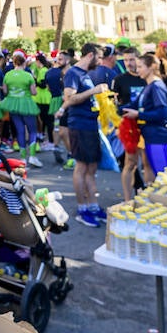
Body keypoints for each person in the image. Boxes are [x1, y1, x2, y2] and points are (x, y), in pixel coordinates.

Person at [62, 44, 107, 226]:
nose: (101, 61)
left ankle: (93, 206)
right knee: (81, 167)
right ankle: (82, 209)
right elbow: (69, 99)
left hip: (89, 125)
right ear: (90, 55)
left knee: (91, 168)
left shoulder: (83, 74)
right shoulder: (73, 73)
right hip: (79, 126)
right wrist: (93, 91)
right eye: (99, 57)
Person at [126, 52, 167, 180]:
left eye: (140, 67)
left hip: (157, 135)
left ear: (151, 67)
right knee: (156, 172)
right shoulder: (149, 86)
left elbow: (162, 113)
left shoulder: (156, 86)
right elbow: (134, 105)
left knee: (163, 175)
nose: (137, 70)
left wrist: (138, 115)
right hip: (150, 135)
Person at [112, 48, 149, 198]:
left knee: (148, 164)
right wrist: (117, 124)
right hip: (130, 126)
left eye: (132, 60)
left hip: (147, 123)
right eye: (126, 60)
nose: (129, 63)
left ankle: (147, 195)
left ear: (139, 59)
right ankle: (128, 199)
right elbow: (114, 104)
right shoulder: (120, 79)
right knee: (130, 163)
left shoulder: (147, 77)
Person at [0, 51, 41, 166]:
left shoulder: (8, 75)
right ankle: (32, 156)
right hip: (27, 104)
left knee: (20, 130)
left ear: (14, 62)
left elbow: (5, 91)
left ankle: (23, 158)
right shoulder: (28, 75)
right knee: (32, 130)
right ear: (24, 63)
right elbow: (33, 92)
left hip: (12, 104)